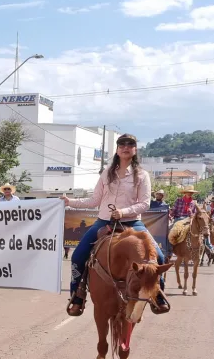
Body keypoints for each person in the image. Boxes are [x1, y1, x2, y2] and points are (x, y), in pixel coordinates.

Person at [62, 133, 169, 317]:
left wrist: (123, 211)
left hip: (133, 223)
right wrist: (70, 201)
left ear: (135, 150)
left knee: (158, 257)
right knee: (78, 256)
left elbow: (145, 204)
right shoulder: (106, 173)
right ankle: (77, 296)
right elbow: (95, 200)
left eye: (130, 144)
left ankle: (157, 295)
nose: (125, 147)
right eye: (121, 145)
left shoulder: (142, 175)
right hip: (104, 221)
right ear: (117, 149)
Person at [171, 187, 214, 258]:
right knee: (170, 231)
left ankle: (210, 250)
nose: (190, 194)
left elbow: (195, 214)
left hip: (190, 219)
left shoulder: (194, 203)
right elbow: (174, 210)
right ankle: (168, 251)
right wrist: (171, 214)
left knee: (204, 230)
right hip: (179, 219)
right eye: (188, 192)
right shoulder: (178, 200)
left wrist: (192, 214)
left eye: (191, 193)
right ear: (185, 193)